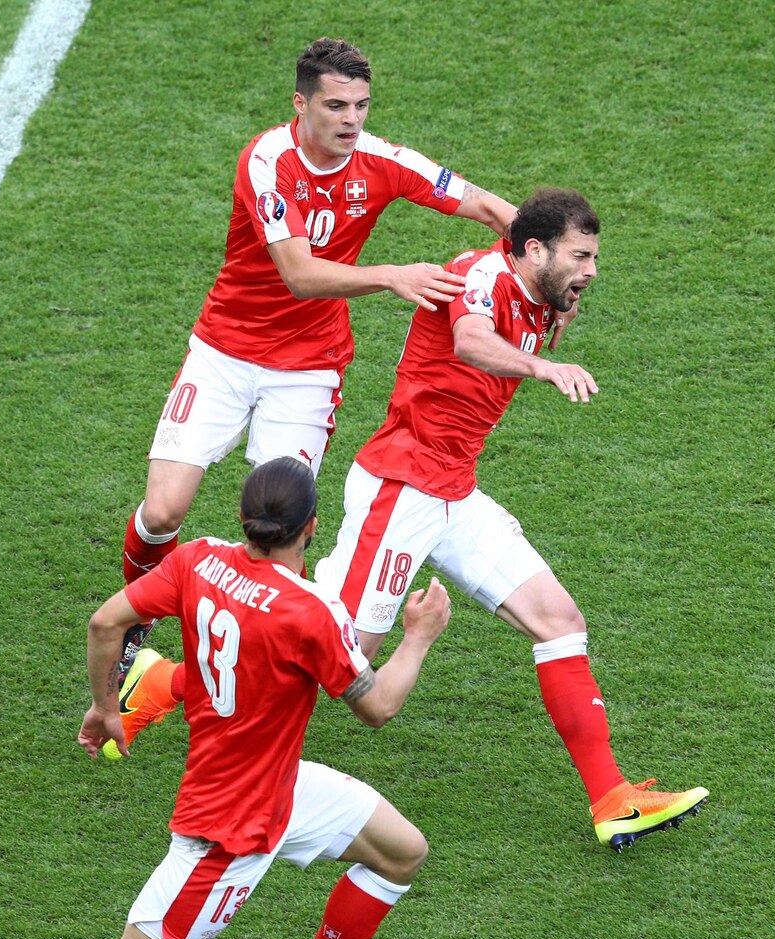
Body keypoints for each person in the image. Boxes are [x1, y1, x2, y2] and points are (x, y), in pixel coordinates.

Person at [0, 457, 451, 939]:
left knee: (402, 850)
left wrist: (107, 707)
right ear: (310, 528)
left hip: (279, 780)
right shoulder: (310, 614)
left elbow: (106, 623)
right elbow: (381, 705)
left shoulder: (199, 559)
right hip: (230, 829)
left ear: (246, 518)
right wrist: (420, 633)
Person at [311, 187, 709, 852]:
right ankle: (166, 685)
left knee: (560, 620)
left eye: (594, 258)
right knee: (339, 659)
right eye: (580, 257)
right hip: (401, 488)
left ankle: (612, 798)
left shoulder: (540, 292)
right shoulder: (482, 278)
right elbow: (469, 341)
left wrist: (562, 310)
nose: (591, 270)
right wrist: (543, 367)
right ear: (534, 250)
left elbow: (534, 308)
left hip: (453, 494)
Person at [116, 35, 517, 674]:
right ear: (299, 105)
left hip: (307, 371)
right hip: (224, 351)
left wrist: (546, 277)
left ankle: (263, 659)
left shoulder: (382, 159)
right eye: (335, 106)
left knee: (282, 525)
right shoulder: (267, 161)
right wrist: (390, 275)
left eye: (361, 105)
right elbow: (298, 273)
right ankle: (134, 618)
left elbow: (491, 207)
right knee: (164, 509)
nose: (351, 120)